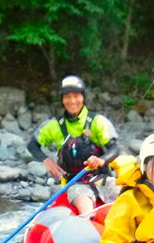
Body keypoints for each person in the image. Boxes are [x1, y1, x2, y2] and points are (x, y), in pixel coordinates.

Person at [28, 75, 119, 214]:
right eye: (67, 97)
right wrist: (47, 161)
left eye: (76, 96)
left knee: (125, 200)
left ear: (83, 97)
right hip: (76, 183)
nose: (72, 101)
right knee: (86, 208)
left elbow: (115, 148)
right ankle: (89, 220)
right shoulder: (54, 126)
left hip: (102, 178)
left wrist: (101, 160)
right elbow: (32, 145)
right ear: (62, 99)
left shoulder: (97, 122)